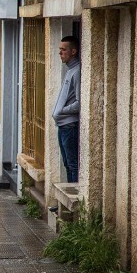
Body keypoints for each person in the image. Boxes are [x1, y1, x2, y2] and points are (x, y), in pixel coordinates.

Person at [52, 35, 81, 183]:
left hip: (70, 126)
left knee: (73, 165)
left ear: (73, 51)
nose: (60, 53)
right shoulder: (69, 70)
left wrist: (62, 111)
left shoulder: (77, 71)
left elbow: (79, 102)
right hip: (63, 126)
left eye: (63, 50)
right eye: (60, 50)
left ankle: (74, 198)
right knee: (67, 165)